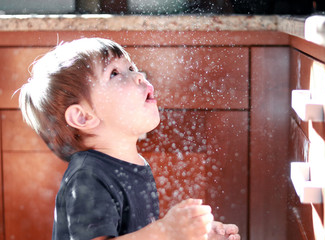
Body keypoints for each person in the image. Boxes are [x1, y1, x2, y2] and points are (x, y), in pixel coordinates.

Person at [18, 37, 240, 240]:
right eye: (114, 73)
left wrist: (192, 235)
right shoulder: (88, 177)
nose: (138, 75)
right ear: (84, 116)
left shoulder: (134, 166)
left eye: (131, 67)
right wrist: (165, 232)